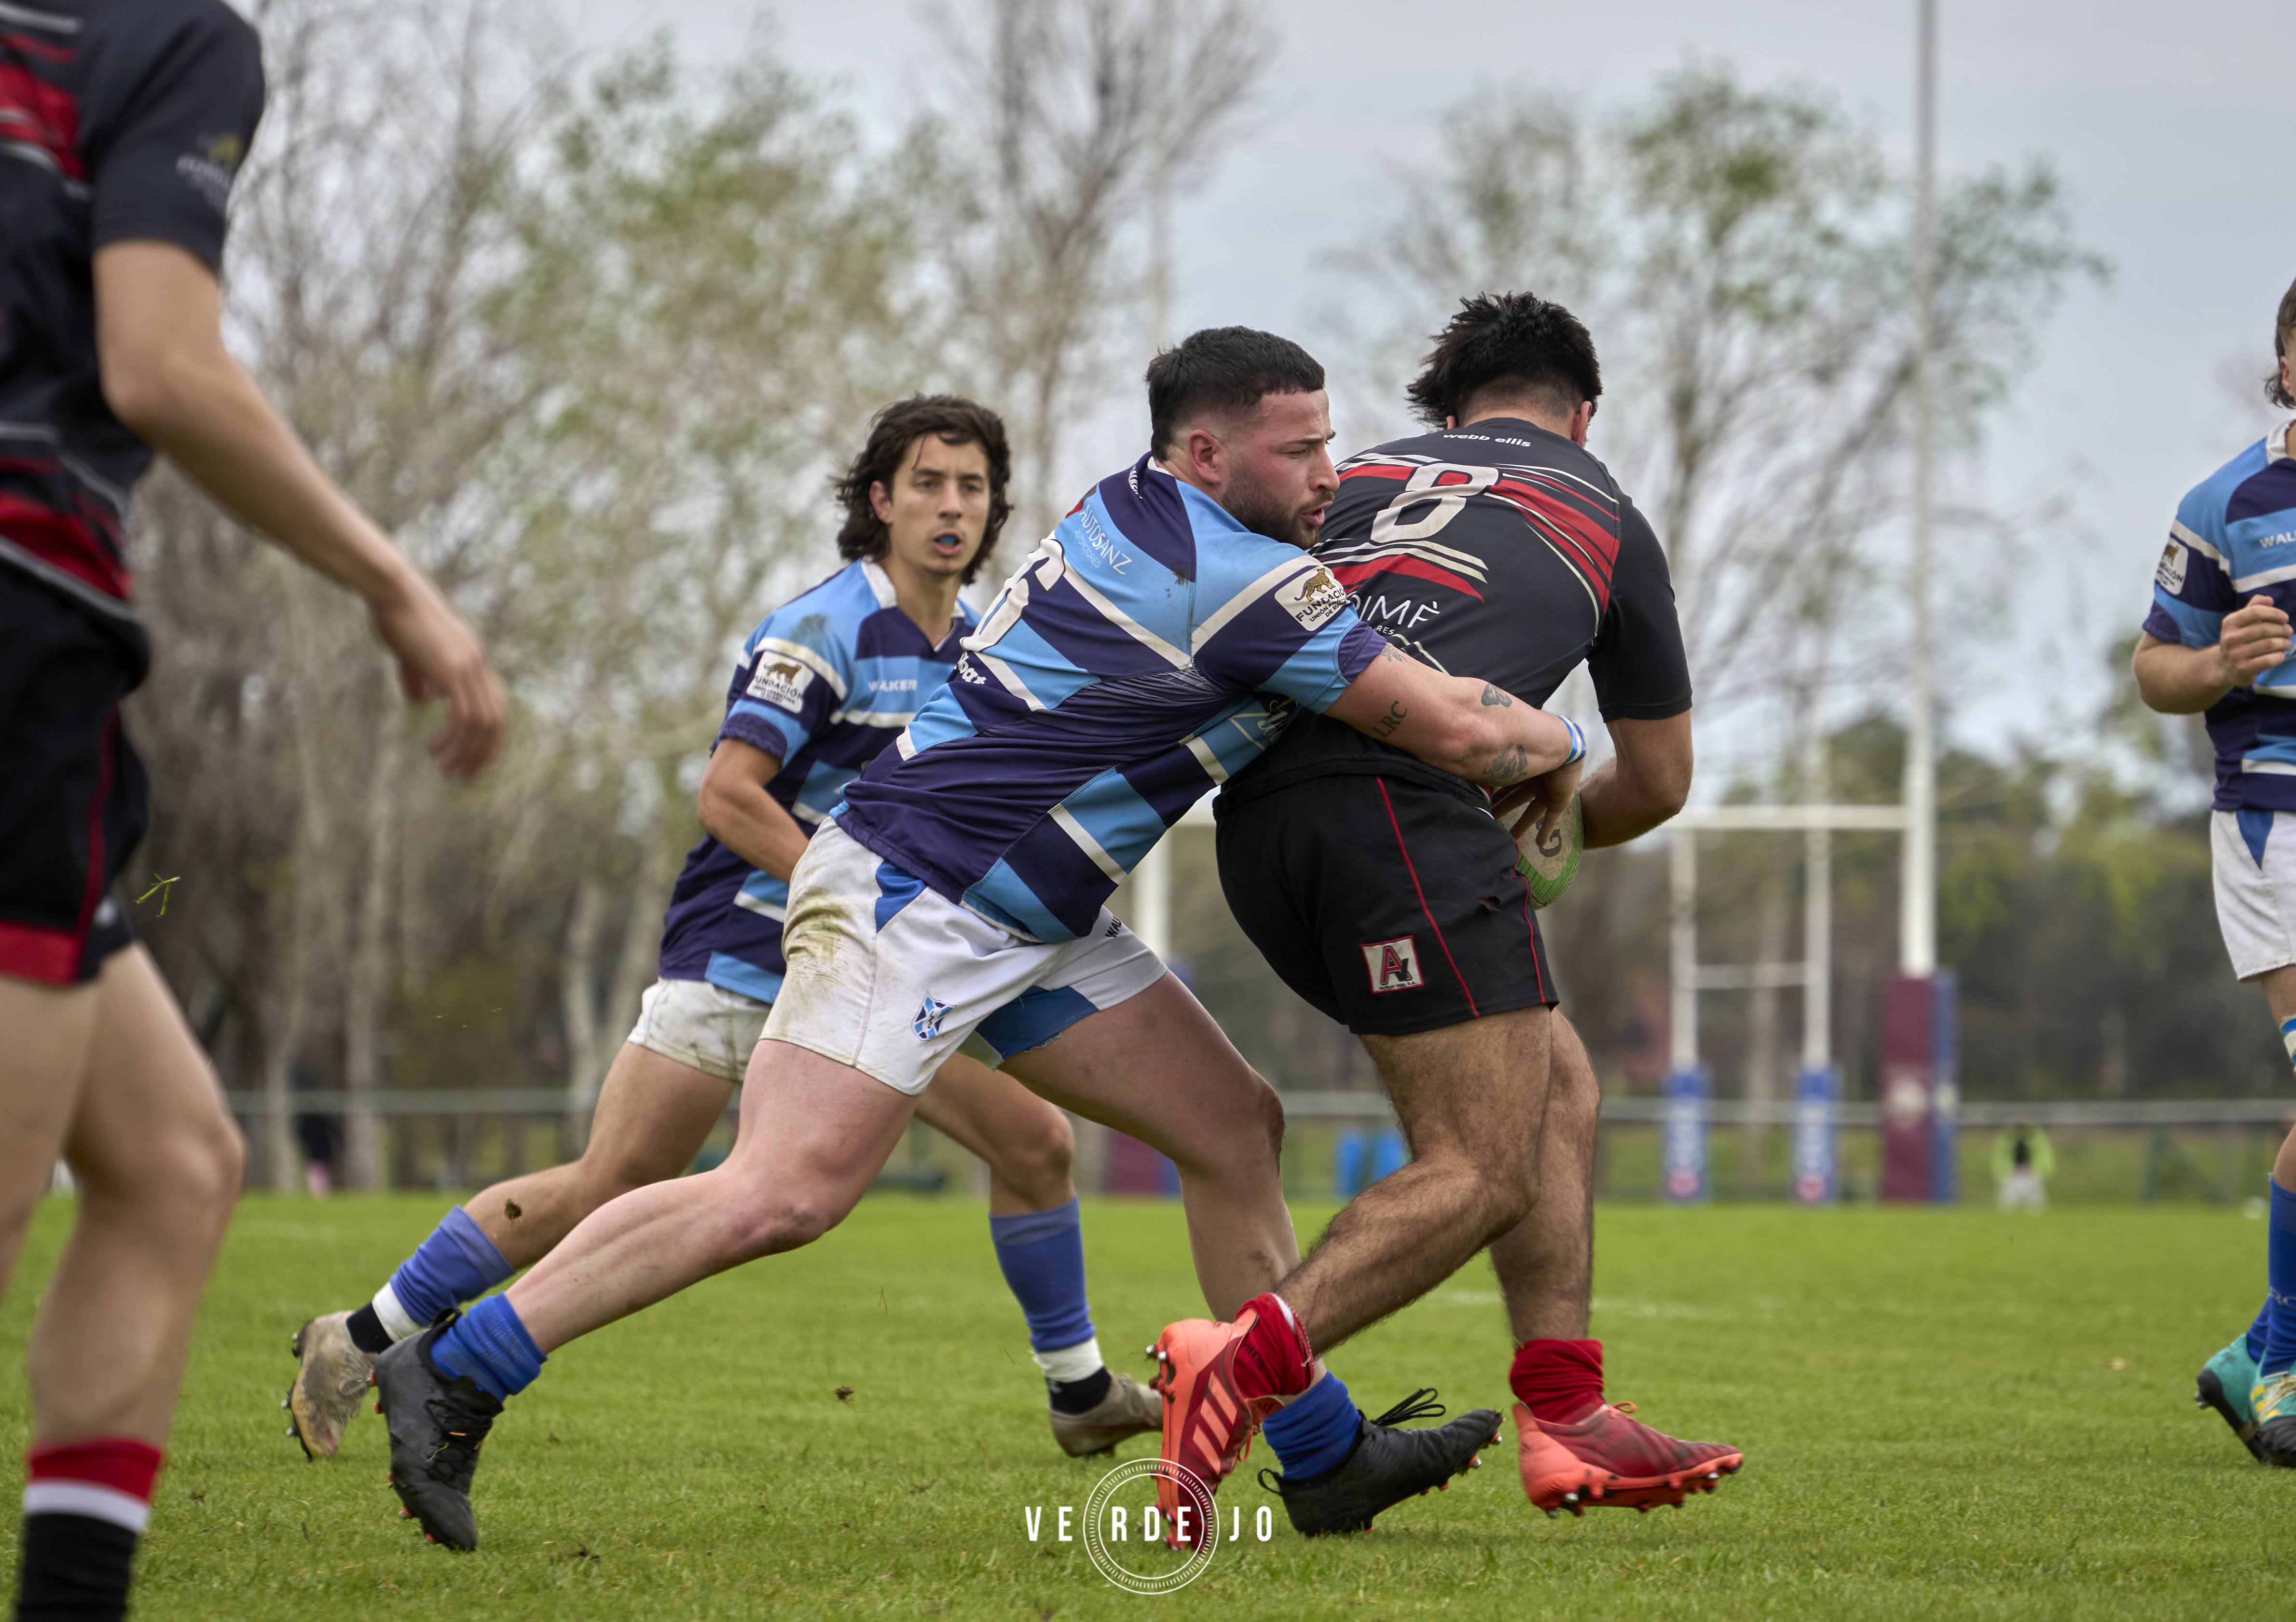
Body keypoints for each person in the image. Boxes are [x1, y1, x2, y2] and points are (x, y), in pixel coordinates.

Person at [369, 326, 1581, 1552]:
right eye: (1302, 448)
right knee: (780, 1195)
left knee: (1230, 1126)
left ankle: (1318, 1454)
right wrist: (1565, 746)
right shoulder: (1244, 582)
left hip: (1028, 914)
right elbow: (1461, 735)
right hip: (921, 893)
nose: (1331, 469)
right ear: (1206, 454)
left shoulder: (1126, 501)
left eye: (1330, 438)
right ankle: (460, 1365)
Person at [286, 396, 1161, 1465]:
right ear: (879, 500)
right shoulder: (825, 627)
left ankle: (1077, 1393)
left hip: (887, 969)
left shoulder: (980, 649)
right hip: (749, 949)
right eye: (928, 482)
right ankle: (364, 1336)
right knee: (612, 1181)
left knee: (1035, 1142)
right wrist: (853, 896)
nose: (951, 506)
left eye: (972, 487)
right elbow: (728, 796)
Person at [0, 3, 506, 1616]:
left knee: (169, 1161)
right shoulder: (164, 37)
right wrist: (395, 582)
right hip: (17, 620)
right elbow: (159, 363)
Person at [1192, 292, 1741, 1528]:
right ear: (1581, 415)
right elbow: (1653, 783)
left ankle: (1566, 1412)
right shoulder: (1601, 510)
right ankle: (1240, 1361)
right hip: (1402, 809)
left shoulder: (1351, 474)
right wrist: (1537, 833)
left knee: (1554, 1084)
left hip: (1255, 825)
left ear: (1439, 411)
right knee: (1481, 1164)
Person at [2134, 271, 2296, 1469]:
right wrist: (2221, 662)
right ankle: (2280, 1360)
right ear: (2284, 365)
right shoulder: (2222, 502)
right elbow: (2153, 667)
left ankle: (2257, 1350)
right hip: (2271, 822)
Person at [1990, 1121, 2053, 1211]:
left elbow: (2043, 1154)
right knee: (2007, 1201)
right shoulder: (2007, 1138)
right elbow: (2000, 1155)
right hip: (2011, 1172)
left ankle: (2035, 1216)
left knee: (2035, 1201)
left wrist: (2039, 1169)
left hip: (2031, 1172)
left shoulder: (2035, 1138)